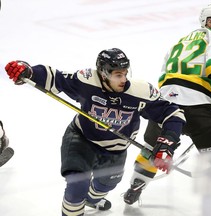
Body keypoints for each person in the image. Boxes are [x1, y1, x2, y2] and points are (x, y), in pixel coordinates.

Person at [4, 48, 186, 216]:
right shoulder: (87, 81)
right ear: (103, 73)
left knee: (106, 184)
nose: (123, 79)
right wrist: (28, 72)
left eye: (125, 73)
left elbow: (173, 113)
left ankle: (92, 199)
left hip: (116, 148)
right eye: (117, 75)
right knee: (77, 184)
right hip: (81, 138)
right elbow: (56, 78)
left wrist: (166, 142)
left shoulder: (140, 91)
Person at [124, 3, 211, 205]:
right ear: (210, 22)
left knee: (152, 149)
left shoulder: (180, 41)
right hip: (198, 109)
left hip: (166, 105)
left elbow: (163, 75)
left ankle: (135, 186)